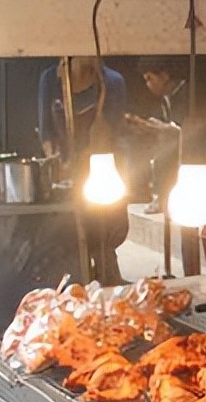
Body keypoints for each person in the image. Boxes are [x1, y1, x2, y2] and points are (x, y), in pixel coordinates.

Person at [38, 56, 130, 284]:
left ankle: (107, 267)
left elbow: (113, 133)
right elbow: (46, 133)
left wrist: (86, 164)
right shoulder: (50, 80)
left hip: (102, 168)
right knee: (71, 233)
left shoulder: (113, 82)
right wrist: (58, 165)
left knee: (108, 228)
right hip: (66, 171)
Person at [125, 57, 186, 214]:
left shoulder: (187, 93)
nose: (148, 85)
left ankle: (164, 196)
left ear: (164, 76)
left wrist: (165, 130)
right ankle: (143, 192)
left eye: (150, 78)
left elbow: (192, 130)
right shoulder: (166, 99)